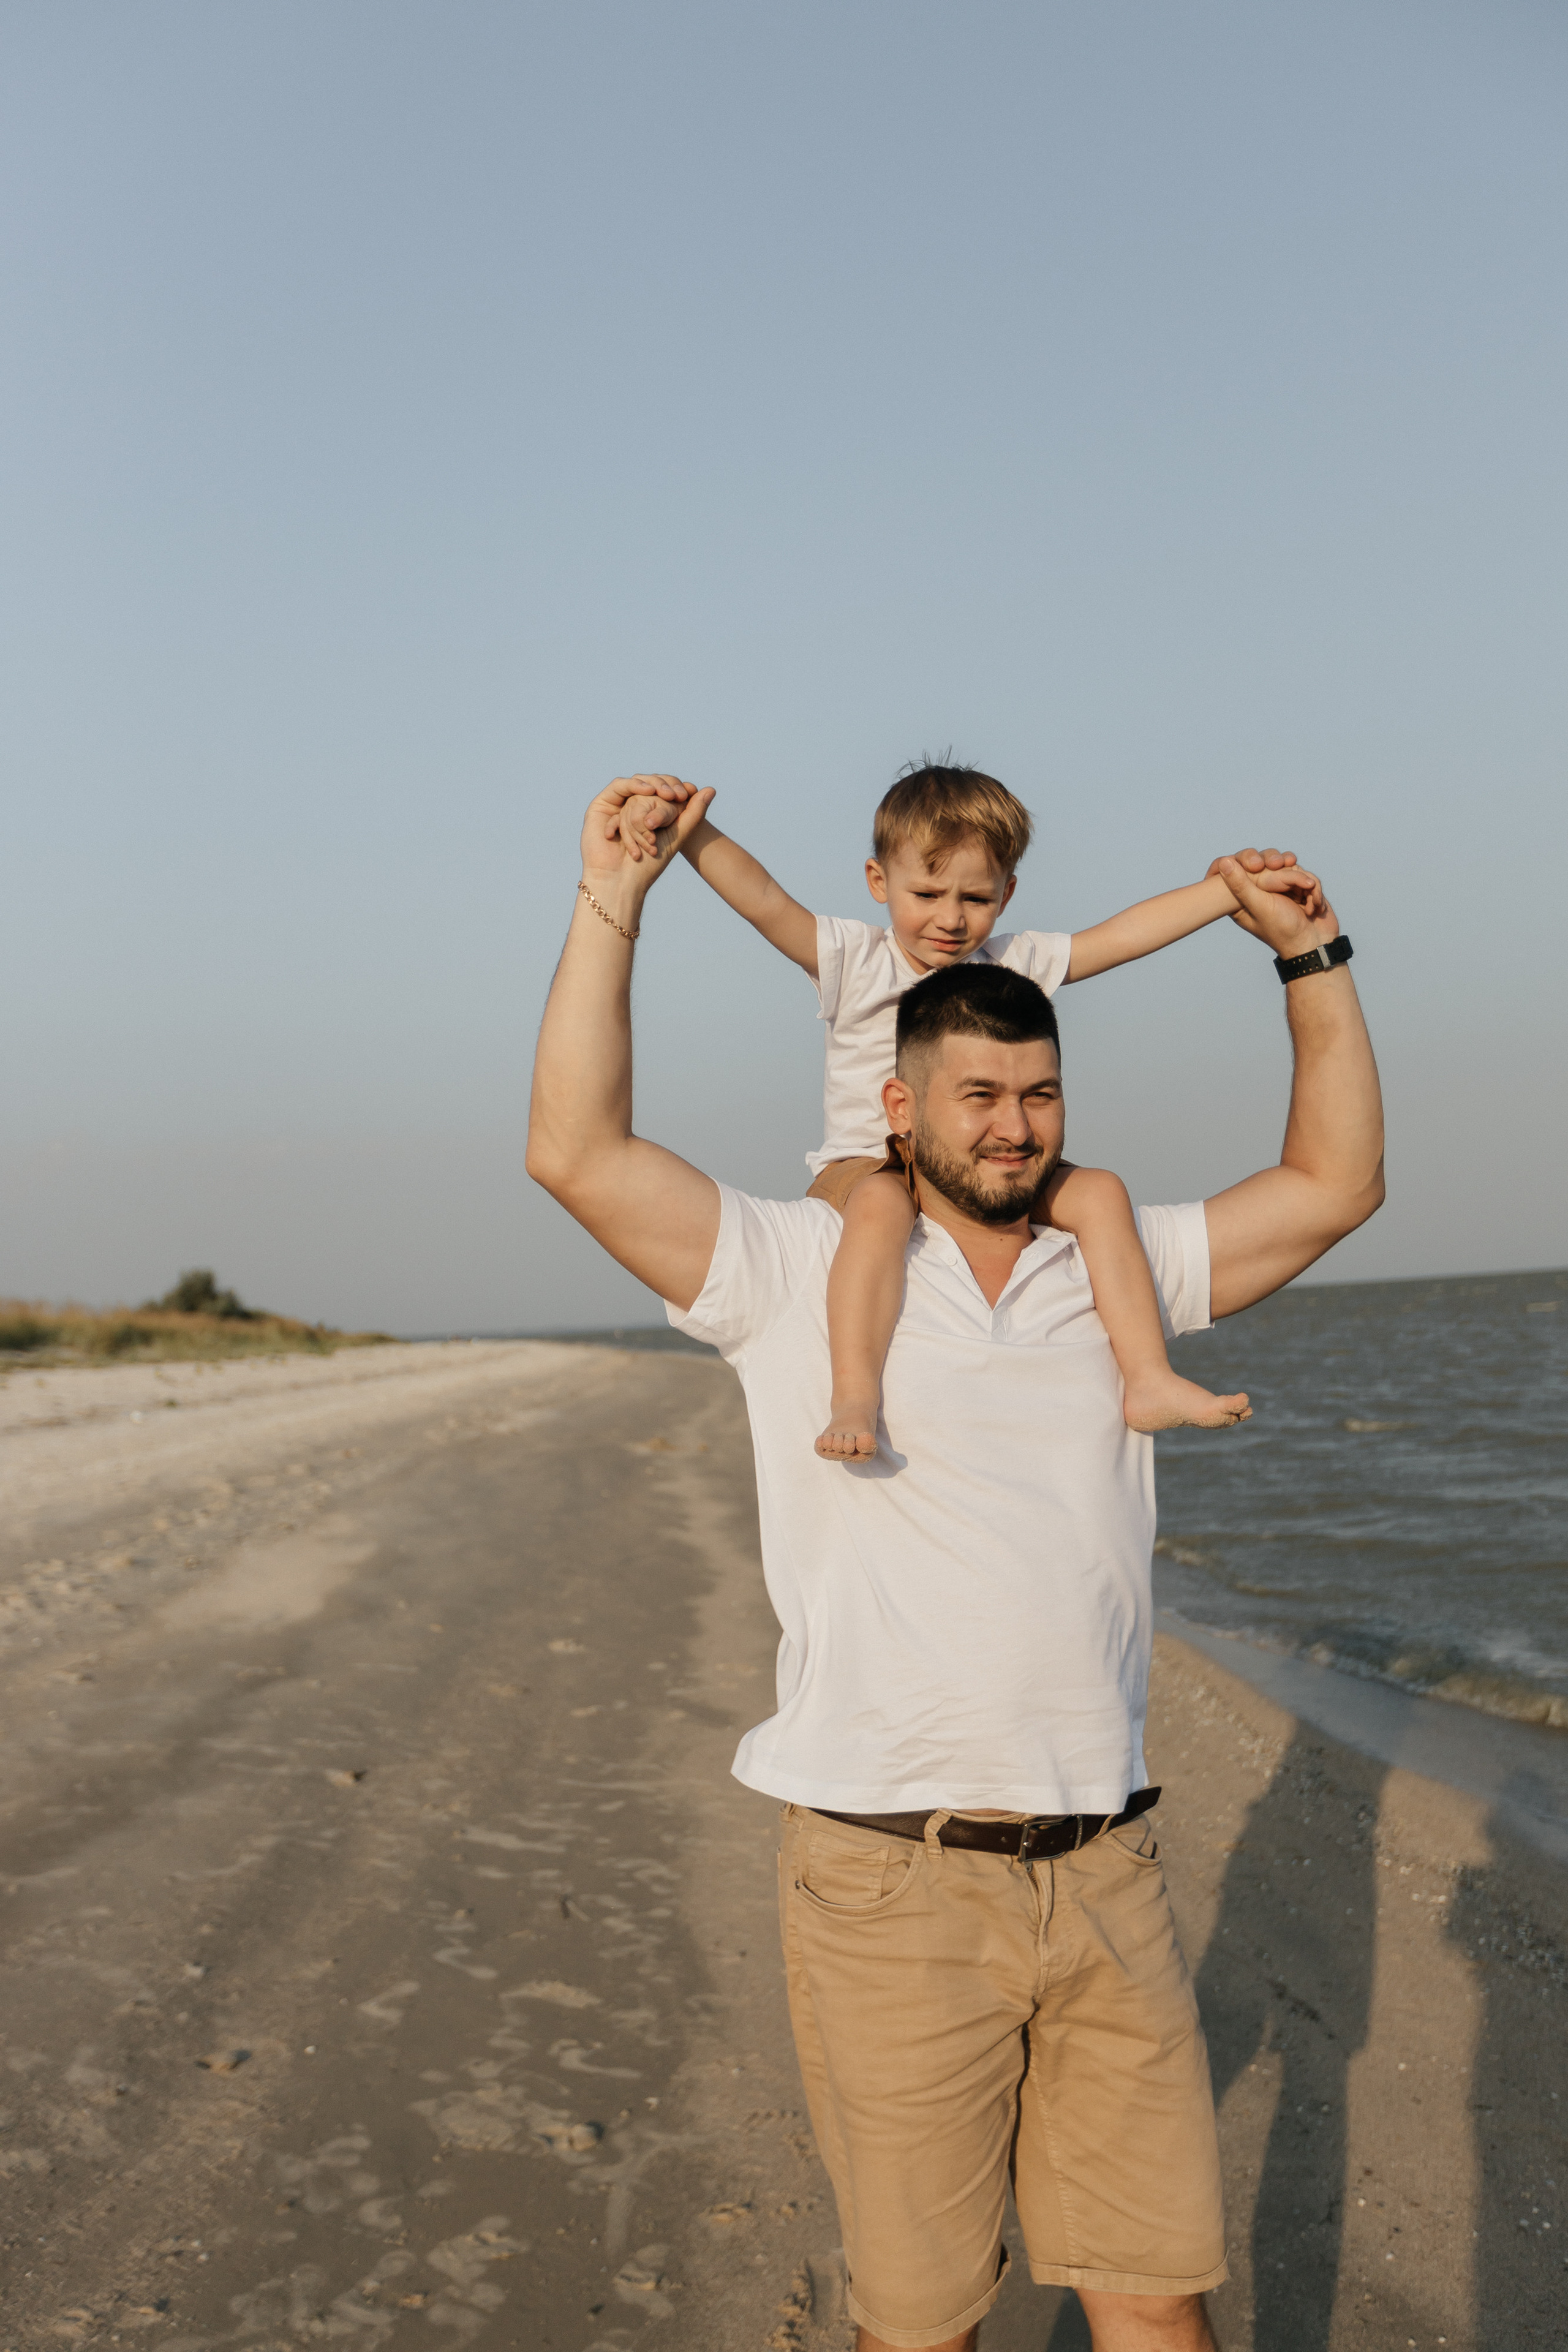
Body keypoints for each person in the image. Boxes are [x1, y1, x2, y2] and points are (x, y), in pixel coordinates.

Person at [527, 775, 1384, 2352]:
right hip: (888, 1877)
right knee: (920, 2324)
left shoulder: (1105, 1269)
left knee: (1155, 2302)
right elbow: (576, 1152)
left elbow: (1330, 1189)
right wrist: (614, 901)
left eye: (1037, 1094)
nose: (1013, 1122)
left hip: (1105, 1867)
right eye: (977, 1094)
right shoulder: (793, 1270)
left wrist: (1308, 962)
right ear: (899, 1108)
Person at [615, 764, 1324, 1460]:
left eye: (976, 898)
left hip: (993, 1156)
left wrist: (1230, 889)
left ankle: (1146, 1378)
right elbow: (764, 898)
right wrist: (691, 831)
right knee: (878, 1210)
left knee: (1102, 1192)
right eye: (926, 892)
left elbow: (1123, 936)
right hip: (869, 1161)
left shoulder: (1010, 963)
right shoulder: (853, 958)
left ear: (1008, 893)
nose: (951, 919)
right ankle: (855, 1394)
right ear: (878, 883)